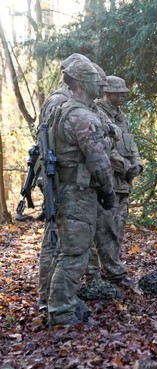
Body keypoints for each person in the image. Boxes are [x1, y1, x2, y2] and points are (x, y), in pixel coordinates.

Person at [46, 60, 115, 326]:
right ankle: (62, 313)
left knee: (68, 251)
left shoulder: (64, 110)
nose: (100, 84)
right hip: (78, 193)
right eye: (95, 80)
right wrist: (108, 192)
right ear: (83, 83)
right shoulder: (82, 117)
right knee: (75, 254)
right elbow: (99, 162)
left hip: (67, 190)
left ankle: (62, 305)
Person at [37, 53, 92, 311]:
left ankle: (50, 300)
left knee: (57, 243)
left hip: (57, 178)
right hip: (64, 181)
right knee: (63, 246)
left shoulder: (58, 101)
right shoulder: (65, 104)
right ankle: (55, 305)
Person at [90, 75, 142, 286]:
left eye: (124, 92)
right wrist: (127, 167)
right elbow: (103, 151)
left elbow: (131, 144)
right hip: (108, 182)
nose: (123, 95)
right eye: (118, 91)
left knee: (118, 228)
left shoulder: (121, 116)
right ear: (106, 92)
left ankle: (110, 269)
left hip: (123, 184)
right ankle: (104, 273)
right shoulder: (97, 114)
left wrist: (137, 164)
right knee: (105, 229)